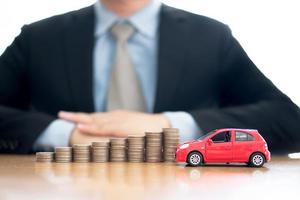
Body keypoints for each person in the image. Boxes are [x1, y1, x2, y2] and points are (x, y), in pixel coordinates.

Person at [0, 0, 299, 154]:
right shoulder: (39, 39)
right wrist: (64, 135)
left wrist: (168, 125)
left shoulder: (210, 38)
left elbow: (289, 121)